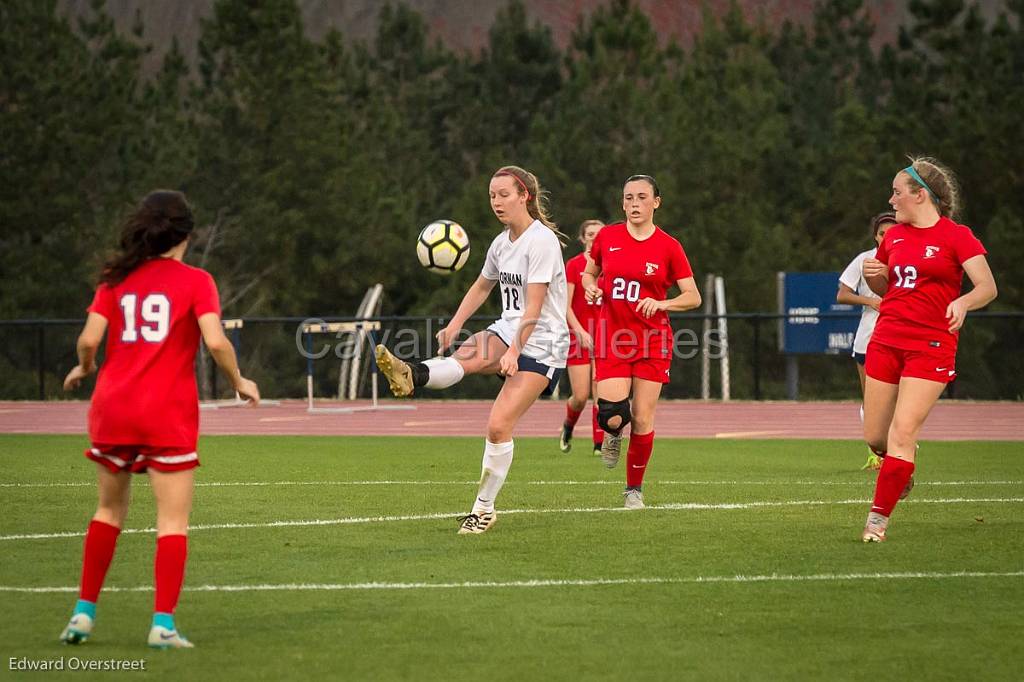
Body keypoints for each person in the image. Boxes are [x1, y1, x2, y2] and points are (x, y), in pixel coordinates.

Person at [59, 190, 260, 648]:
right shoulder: (196, 281)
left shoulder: (115, 278)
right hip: (165, 412)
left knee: (108, 510)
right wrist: (238, 380)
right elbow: (216, 342)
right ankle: (162, 625)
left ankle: (82, 616)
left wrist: (86, 368)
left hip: (113, 407)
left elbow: (89, 340)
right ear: (187, 234)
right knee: (171, 521)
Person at [374, 165, 569, 534]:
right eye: (492, 195)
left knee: (498, 427)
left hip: (543, 343)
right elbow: (481, 287)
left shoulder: (540, 241)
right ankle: (412, 373)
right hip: (510, 328)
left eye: (504, 194)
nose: (496, 202)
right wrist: (454, 324)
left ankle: (484, 508)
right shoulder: (501, 243)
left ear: (524, 195)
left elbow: (535, 306)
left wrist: (514, 351)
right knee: (462, 358)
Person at [860, 158, 997, 542]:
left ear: (921, 195)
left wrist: (964, 302)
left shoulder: (957, 236)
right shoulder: (895, 237)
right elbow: (892, 289)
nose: (892, 199)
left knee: (903, 433)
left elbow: (987, 286)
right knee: (876, 436)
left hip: (931, 344)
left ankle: (877, 521)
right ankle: (901, 466)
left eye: (898, 191)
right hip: (887, 339)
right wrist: (878, 279)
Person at [581, 175, 701, 509]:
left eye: (642, 197)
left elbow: (693, 297)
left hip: (652, 340)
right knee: (613, 415)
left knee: (643, 417)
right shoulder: (607, 237)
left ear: (656, 203)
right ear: (622, 202)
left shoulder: (669, 246)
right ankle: (613, 432)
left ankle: (633, 490)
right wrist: (591, 285)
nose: (635, 204)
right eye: (629, 198)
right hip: (613, 337)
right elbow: (589, 273)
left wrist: (663, 303)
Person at [837, 211, 898, 470]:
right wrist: (871, 301)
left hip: (899, 339)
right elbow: (842, 294)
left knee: (898, 402)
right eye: (882, 233)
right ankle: (875, 454)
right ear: (875, 235)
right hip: (868, 340)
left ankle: (898, 453)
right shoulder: (865, 260)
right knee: (870, 402)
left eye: (892, 232)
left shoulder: (909, 259)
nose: (886, 237)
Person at [559, 219, 606, 457]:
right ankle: (568, 425)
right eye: (590, 234)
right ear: (583, 238)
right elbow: (565, 306)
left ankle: (599, 445)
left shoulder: (612, 264)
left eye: (599, 234)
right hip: (579, 334)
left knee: (601, 391)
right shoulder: (574, 264)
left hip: (610, 336)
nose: (595, 238)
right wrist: (580, 331)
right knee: (580, 396)